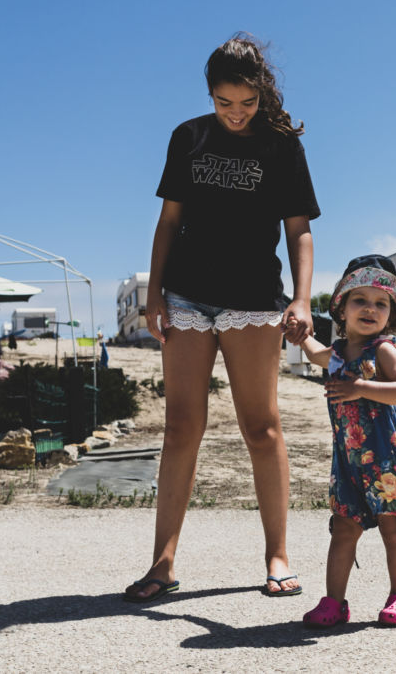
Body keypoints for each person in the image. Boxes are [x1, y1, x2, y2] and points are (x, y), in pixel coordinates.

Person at [123, 34, 319, 603]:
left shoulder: (282, 145)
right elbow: (168, 222)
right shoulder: (189, 137)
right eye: (224, 102)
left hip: (253, 301)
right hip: (186, 297)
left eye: (247, 103)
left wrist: (302, 300)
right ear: (209, 94)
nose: (236, 113)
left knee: (261, 427)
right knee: (181, 426)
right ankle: (162, 562)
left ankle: (277, 555)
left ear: (262, 93)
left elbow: (299, 230)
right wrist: (154, 294)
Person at [289, 255, 396, 628]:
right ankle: (334, 602)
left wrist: (362, 387)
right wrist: (300, 334)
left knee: (392, 527)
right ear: (341, 308)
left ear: (391, 314)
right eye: (360, 300)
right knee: (343, 528)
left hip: (386, 459)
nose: (370, 308)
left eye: (381, 303)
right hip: (348, 460)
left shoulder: (383, 350)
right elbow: (314, 352)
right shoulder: (337, 354)